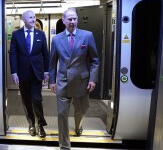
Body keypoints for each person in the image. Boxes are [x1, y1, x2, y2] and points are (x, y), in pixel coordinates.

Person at [49, 8, 100, 150]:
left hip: (82, 82)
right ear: (63, 21)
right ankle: (64, 146)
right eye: (70, 19)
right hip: (63, 82)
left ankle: (78, 125)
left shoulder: (87, 36)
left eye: (75, 19)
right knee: (61, 114)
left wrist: (93, 79)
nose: (73, 22)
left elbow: (95, 60)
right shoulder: (56, 39)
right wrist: (52, 81)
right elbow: (52, 63)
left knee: (82, 111)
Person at [9, 10, 50, 138]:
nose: (34, 20)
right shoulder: (16, 35)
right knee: (26, 100)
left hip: (37, 73)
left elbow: (46, 55)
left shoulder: (41, 34)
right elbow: (13, 55)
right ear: (24, 19)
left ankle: (41, 125)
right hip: (22, 74)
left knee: (36, 99)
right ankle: (31, 123)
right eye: (31, 17)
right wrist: (14, 72)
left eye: (35, 17)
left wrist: (47, 71)